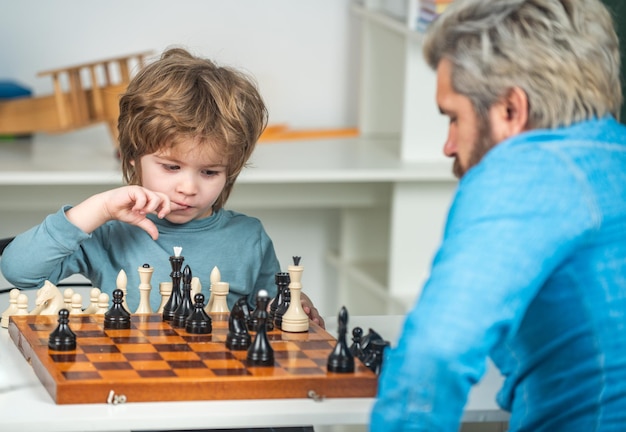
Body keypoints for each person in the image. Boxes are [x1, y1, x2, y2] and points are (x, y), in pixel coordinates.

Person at [371, 0, 626, 430]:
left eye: (454, 118)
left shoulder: (524, 171)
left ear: (510, 110)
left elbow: (436, 352)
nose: (448, 146)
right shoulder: (611, 152)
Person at [1, 47, 324, 328]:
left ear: (231, 171)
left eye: (209, 171)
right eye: (171, 167)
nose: (188, 187)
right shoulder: (109, 233)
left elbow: (268, 307)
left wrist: (293, 303)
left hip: (221, 384)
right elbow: (18, 270)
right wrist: (96, 210)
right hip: (130, 383)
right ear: (132, 159)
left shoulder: (249, 238)